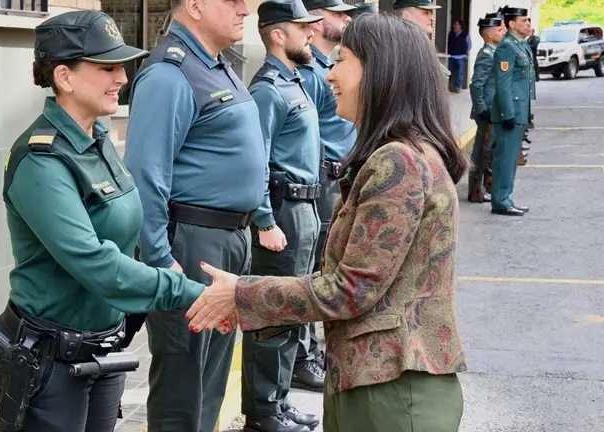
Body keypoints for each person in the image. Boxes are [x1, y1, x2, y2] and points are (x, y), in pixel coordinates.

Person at [187, 13, 470, 432]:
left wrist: (242, 295)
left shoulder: (399, 160)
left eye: (343, 60)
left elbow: (351, 289)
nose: (330, 73)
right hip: (376, 379)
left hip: (390, 389)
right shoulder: (407, 152)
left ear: (380, 72)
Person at [0, 11, 207, 432]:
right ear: (64, 77)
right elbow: (96, 264)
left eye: (121, 65)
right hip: (49, 362)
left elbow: (125, 234)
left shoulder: (98, 140)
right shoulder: (42, 158)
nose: (121, 77)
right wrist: (190, 292)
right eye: (107, 67)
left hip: (101, 350)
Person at [123, 0, 267, 431]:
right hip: (192, 243)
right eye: (233, 0)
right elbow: (145, 177)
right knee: (183, 384)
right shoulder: (170, 74)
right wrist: (162, 261)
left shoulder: (217, 65)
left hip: (226, 240)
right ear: (196, 6)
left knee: (210, 379)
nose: (245, 8)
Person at [240, 2, 325, 430]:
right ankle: (262, 411)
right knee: (273, 314)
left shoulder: (295, 81)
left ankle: (279, 399)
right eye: (303, 27)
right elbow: (254, 161)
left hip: (305, 207)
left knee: (294, 311)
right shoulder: (268, 90)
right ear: (277, 34)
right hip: (283, 212)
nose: (312, 33)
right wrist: (264, 220)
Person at [292, 0, 357, 393]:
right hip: (320, 180)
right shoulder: (313, 73)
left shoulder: (322, 66)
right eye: (337, 13)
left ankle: (309, 353)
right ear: (316, 20)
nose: (346, 19)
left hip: (336, 177)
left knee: (322, 268)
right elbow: (305, 139)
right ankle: (304, 358)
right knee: (311, 271)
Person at [490, 6, 533, 216]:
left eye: (528, 20)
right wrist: (507, 113)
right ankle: (500, 201)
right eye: (524, 20)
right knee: (505, 158)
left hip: (519, 111)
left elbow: (525, 84)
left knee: (511, 159)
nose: (528, 24)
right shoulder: (507, 47)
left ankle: (507, 197)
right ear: (511, 23)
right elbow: (503, 83)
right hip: (509, 113)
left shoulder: (520, 46)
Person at [468, 15, 505, 203]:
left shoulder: (494, 53)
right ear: (489, 34)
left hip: (492, 110)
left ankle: (482, 186)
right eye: (499, 30)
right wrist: (482, 109)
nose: (504, 32)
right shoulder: (487, 55)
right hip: (487, 112)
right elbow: (476, 85)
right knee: (481, 151)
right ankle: (475, 188)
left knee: (488, 150)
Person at [447, 19, 471, 92]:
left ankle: (457, 88)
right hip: (451, 56)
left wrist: (464, 52)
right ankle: (446, 87)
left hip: (461, 57)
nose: (454, 26)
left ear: (460, 26)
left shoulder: (465, 34)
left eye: (456, 24)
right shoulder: (451, 33)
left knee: (460, 74)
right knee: (448, 73)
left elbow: (469, 45)